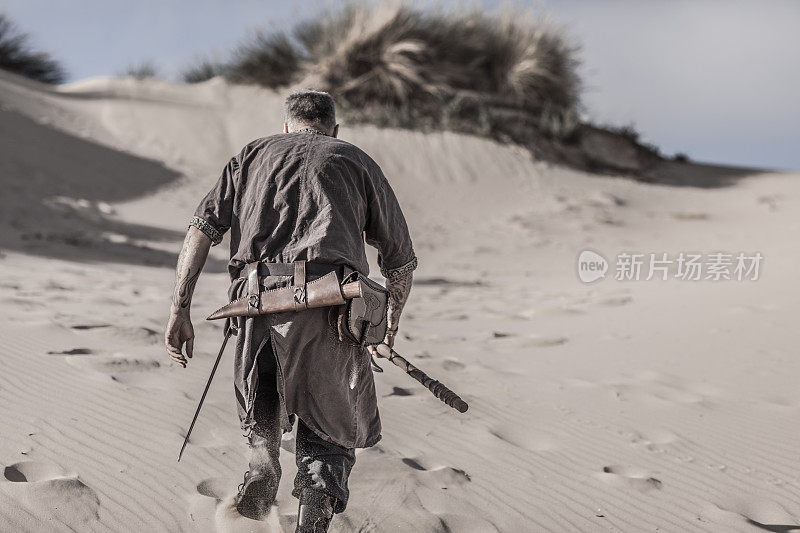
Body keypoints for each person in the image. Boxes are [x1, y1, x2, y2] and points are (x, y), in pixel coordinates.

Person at [164, 89, 416, 532]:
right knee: (330, 428)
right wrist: (389, 324)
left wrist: (179, 308)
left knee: (262, 399)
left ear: (286, 126)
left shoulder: (251, 155)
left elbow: (200, 230)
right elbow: (401, 261)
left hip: (255, 306)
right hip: (332, 310)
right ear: (333, 129)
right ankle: (311, 513)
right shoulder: (354, 160)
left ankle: (261, 465)